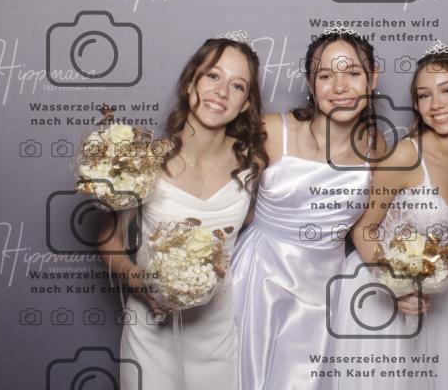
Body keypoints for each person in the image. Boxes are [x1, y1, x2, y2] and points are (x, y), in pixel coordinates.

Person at [98, 32, 267, 390]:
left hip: (217, 332)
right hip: (150, 330)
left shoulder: (253, 165)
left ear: (246, 104)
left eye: (237, 86)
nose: (221, 92)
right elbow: (109, 240)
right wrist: (136, 277)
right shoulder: (144, 160)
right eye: (213, 76)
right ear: (190, 83)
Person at [326, 41, 448, 389]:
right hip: (376, 289)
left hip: (433, 298)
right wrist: (397, 286)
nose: (435, 104)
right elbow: (364, 229)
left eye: (447, 90)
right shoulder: (406, 156)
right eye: (423, 95)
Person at [228, 26, 382, 389]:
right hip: (258, 278)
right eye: (325, 76)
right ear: (310, 83)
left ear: (373, 78)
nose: (340, 87)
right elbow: (225, 198)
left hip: (323, 290)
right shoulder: (271, 131)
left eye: (353, 73)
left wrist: (402, 280)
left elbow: (369, 227)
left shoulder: (375, 146)